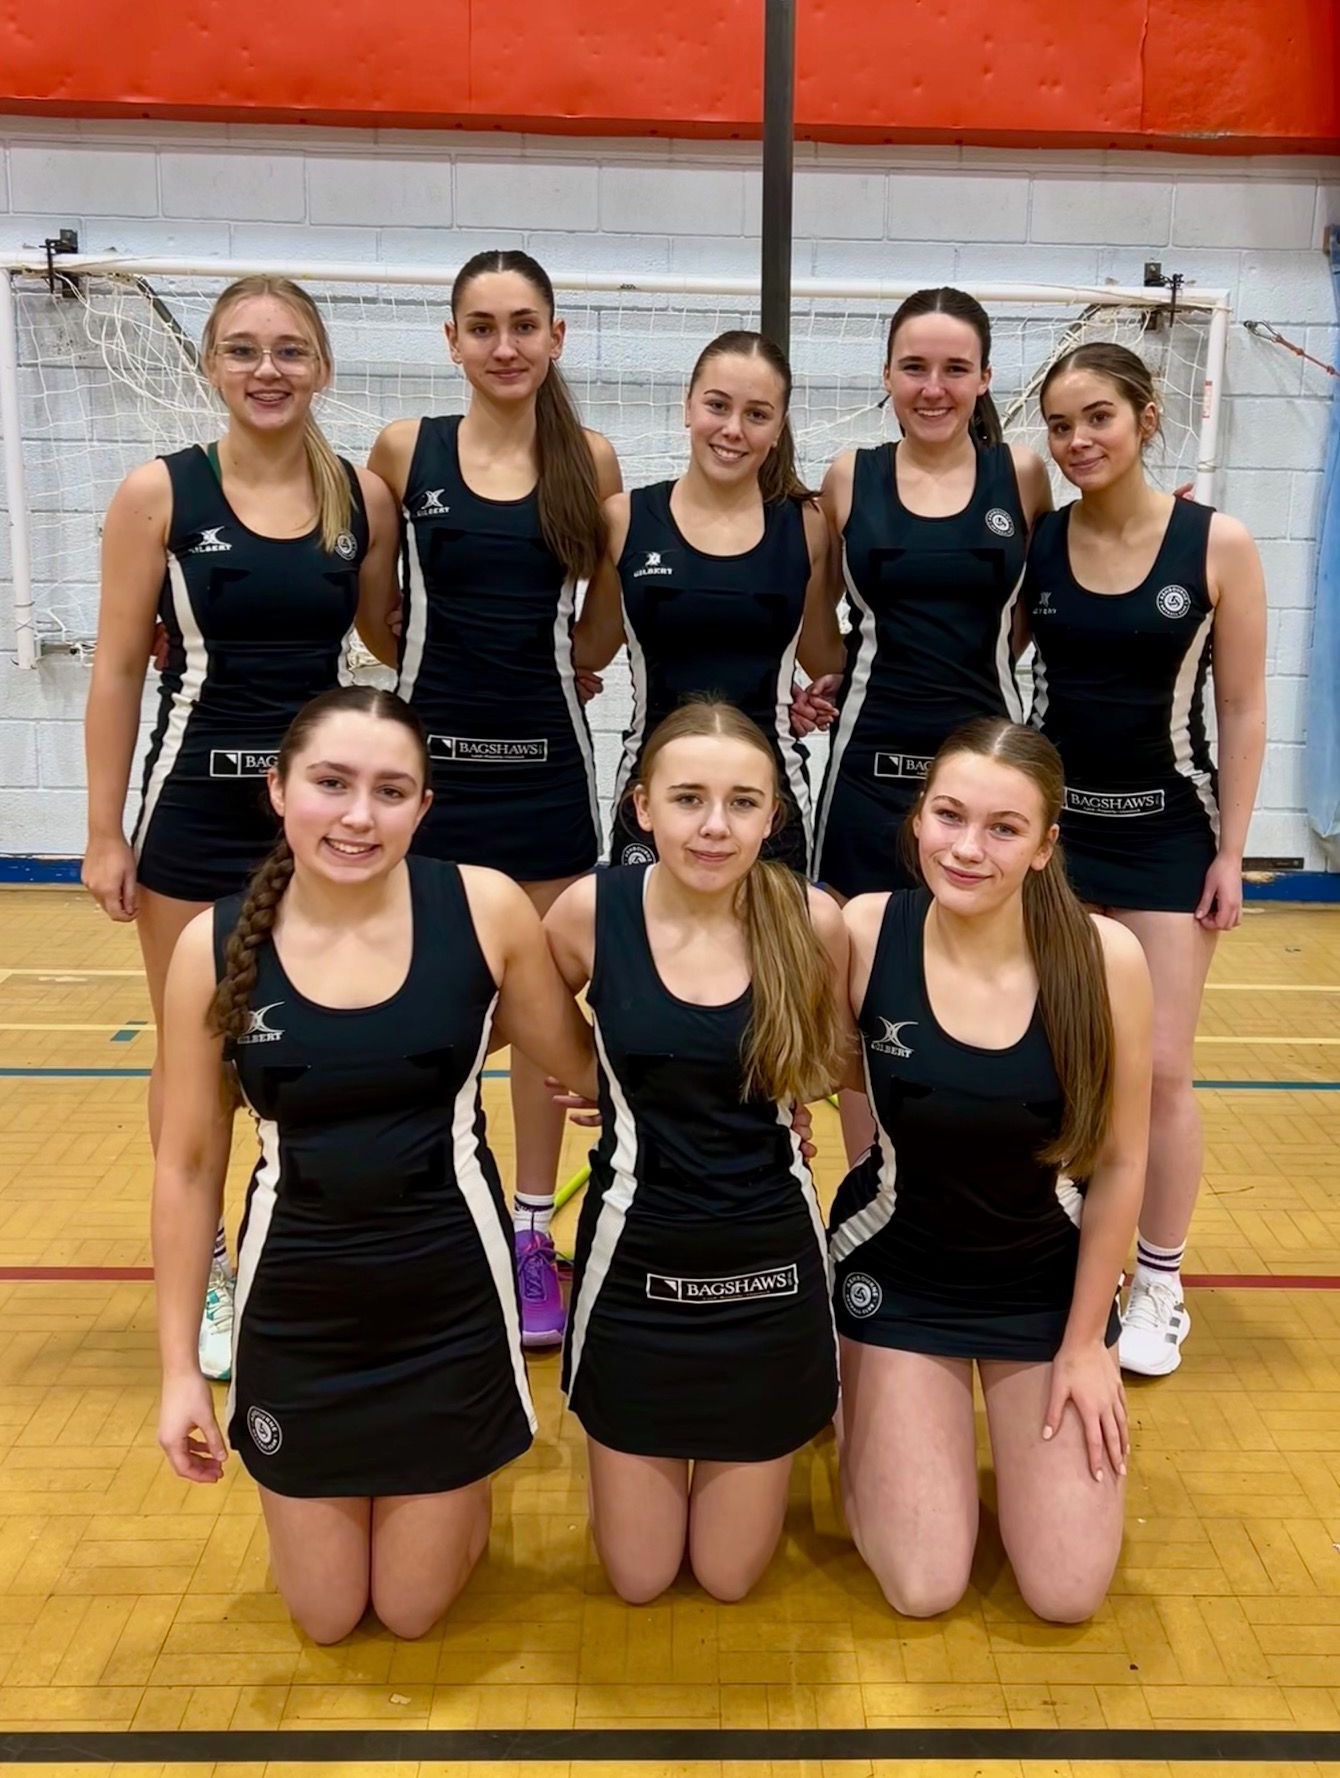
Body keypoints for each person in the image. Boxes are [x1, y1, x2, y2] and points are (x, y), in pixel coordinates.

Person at [152, 686, 598, 1643]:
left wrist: (750, 1092)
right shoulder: (213, 944)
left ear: (425, 807)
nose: (358, 815)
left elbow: (591, 1073)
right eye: (331, 783)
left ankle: (460, 1482)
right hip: (301, 1311)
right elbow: (187, 1168)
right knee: (324, 1614)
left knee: (409, 1610)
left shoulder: (483, 909)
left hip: (447, 1303)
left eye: (391, 790)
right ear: (278, 790)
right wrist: (179, 1370)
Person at [81, 276, 400, 1380]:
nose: (268, 370)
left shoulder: (360, 495)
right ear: (211, 365)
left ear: (321, 366)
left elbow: (391, 639)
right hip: (194, 822)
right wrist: (104, 830)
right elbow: (120, 666)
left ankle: (312, 1251)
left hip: (318, 830)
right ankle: (210, 1269)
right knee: (196, 1064)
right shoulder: (157, 495)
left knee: (315, 1046)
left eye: (290, 351)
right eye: (245, 350)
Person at [830, 718, 1152, 1623]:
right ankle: (863, 1398)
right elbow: (777, 1058)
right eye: (948, 816)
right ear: (918, 818)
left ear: (1047, 845)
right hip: (900, 1272)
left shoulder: (1104, 959)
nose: (967, 849)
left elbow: (1125, 1162)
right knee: (925, 1586)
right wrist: (611, 1075)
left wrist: (1088, 1344)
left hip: (1044, 1291)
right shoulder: (863, 931)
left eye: (1004, 828)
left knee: (1065, 1594)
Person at [368, 250, 621, 1350]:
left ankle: (529, 1232)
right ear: (451, 339)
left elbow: (604, 625)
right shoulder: (402, 452)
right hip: (431, 782)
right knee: (433, 1009)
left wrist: (563, 666)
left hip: (548, 778)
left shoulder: (592, 459)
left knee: (539, 1014)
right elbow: (381, 617)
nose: (505, 345)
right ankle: (439, 1219)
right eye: (482, 326)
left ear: (556, 337)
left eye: (524, 325)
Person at [543, 699, 849, 1603]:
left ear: (774, 816)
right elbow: (520, 1019)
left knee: (727, 1577)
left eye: (743, 803)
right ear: (642, 807)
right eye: (687, 799)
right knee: (637, 1579)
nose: (714, 827)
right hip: (635, 1268)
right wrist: (601, 1080)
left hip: (768, 1271)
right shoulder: (584, 913)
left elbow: (830, 1065)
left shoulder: (812, 921)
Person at [1024, 342, 1267, 1377]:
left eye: (1097, 419)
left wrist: (1231, 850)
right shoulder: (1037, 543)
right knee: (1066, 1067)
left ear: (1144, 417)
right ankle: (1071, 1257)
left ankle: (1157, 1282)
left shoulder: (1218, 543)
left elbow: (1245, 704)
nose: (1078, 441)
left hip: (1168, 836)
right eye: (1060, 425)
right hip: (1059, 844)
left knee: (1160, 1070)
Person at [808, 286, 1053, 897]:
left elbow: (1030, 612)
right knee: (848, 950)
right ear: (888, 373)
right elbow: (813, 614)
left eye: (956, 369)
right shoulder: (849, 476)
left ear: (985, 378)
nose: (933, 388)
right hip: (868, 761)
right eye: (914, 367)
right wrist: (846, 672)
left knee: (976, 951)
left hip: (987, 761)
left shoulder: (1020, 475)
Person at [574, 329, 841, 873]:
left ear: (778, 428)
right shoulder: (626, 519)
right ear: (688, 408)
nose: (732, 430)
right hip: (655, 795)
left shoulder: (807, 526)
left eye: (757, 414)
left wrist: (807, 693)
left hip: (769, 802)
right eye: (717, 405)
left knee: (772, 958)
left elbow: (824, 658)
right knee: (645, 954)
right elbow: (586, 649)